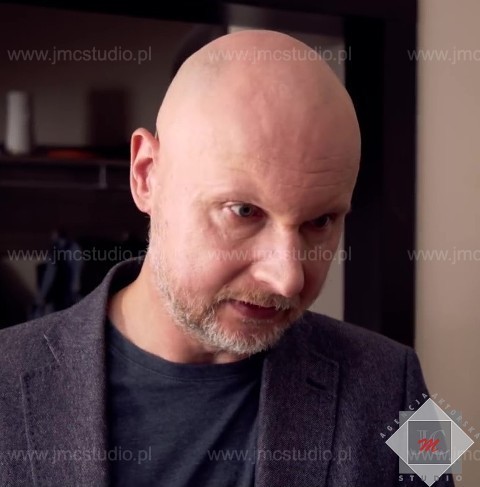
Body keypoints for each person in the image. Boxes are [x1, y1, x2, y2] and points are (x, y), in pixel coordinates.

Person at [0, 30, 453, 487]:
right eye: (244, 212)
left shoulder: (398, 382)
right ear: (146, 176)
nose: (288, 278)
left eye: (320, 221)